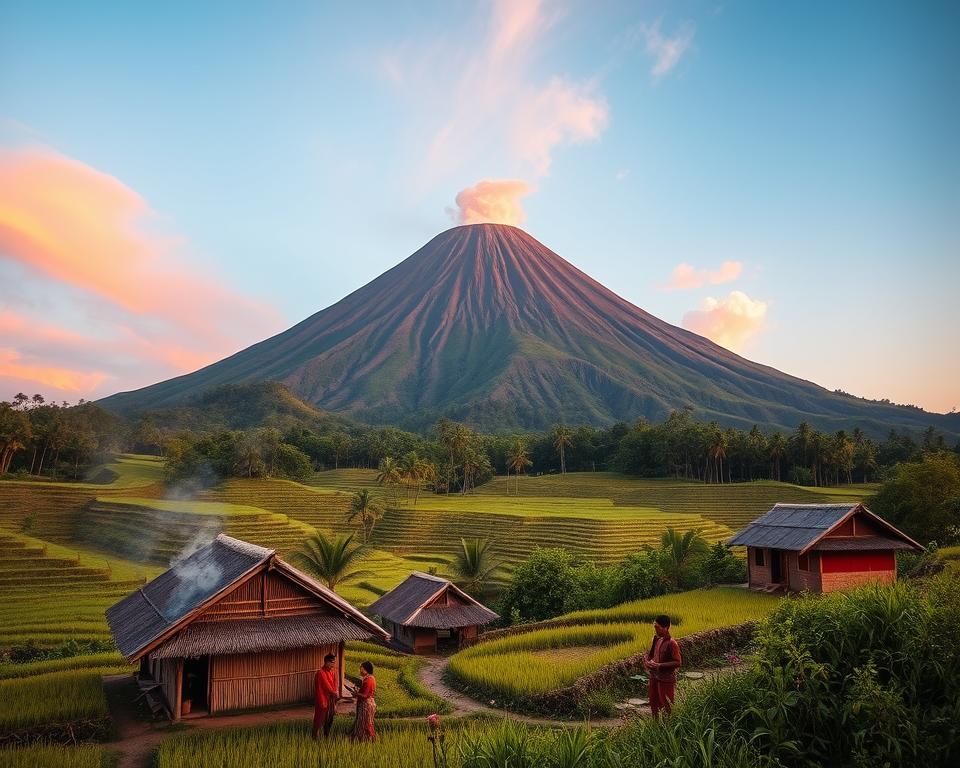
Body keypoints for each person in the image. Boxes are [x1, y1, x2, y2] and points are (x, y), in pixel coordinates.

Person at [642, 614, 682, 716]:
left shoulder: (672, 643)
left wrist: (659, 665)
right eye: (654, 627)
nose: (655, 629)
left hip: (666, 678)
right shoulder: (656, 639)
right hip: (654, 676)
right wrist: (647, 661)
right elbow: (651, 655)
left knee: (666, 705)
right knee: (654, 703)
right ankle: (656, 727)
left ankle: (668, 728)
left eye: (657, 627)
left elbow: (678, 662)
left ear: (666, 628)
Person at [313, 653, 339, 739]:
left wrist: (335, 693)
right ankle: (315, 737)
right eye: (332, 662)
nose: (333, 664)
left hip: (331, 699)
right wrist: (335, 693)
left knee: (330, 718)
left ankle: (326, 736)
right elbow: (327, 686)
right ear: (326, 662)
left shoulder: (332, 672)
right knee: (320, 718)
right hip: (323, 699)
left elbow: (335, 684)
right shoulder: (320, 673)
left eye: (334, 662)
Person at [350, 660, 377, 742]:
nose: (360, 670)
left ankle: (367, 740)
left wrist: (356, 694)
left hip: (366, 705)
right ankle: (367, 740)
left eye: (361, 668)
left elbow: (365, 695)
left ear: (365, 669)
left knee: (365, 723)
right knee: (367, 722)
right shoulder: (370, 678)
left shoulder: (368, 680)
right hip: (369, 703)